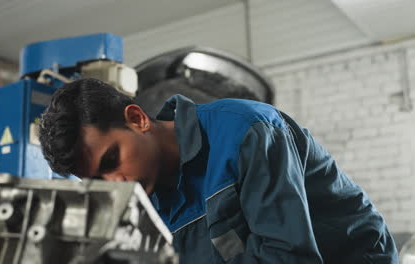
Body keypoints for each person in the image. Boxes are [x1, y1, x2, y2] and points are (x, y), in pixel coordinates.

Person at [39, 78, 398, 263]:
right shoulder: (146, 199)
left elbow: (288, 257)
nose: (116, 183)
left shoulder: (247, 131)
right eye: (98, 181)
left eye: (111, 161)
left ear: (137, 119)